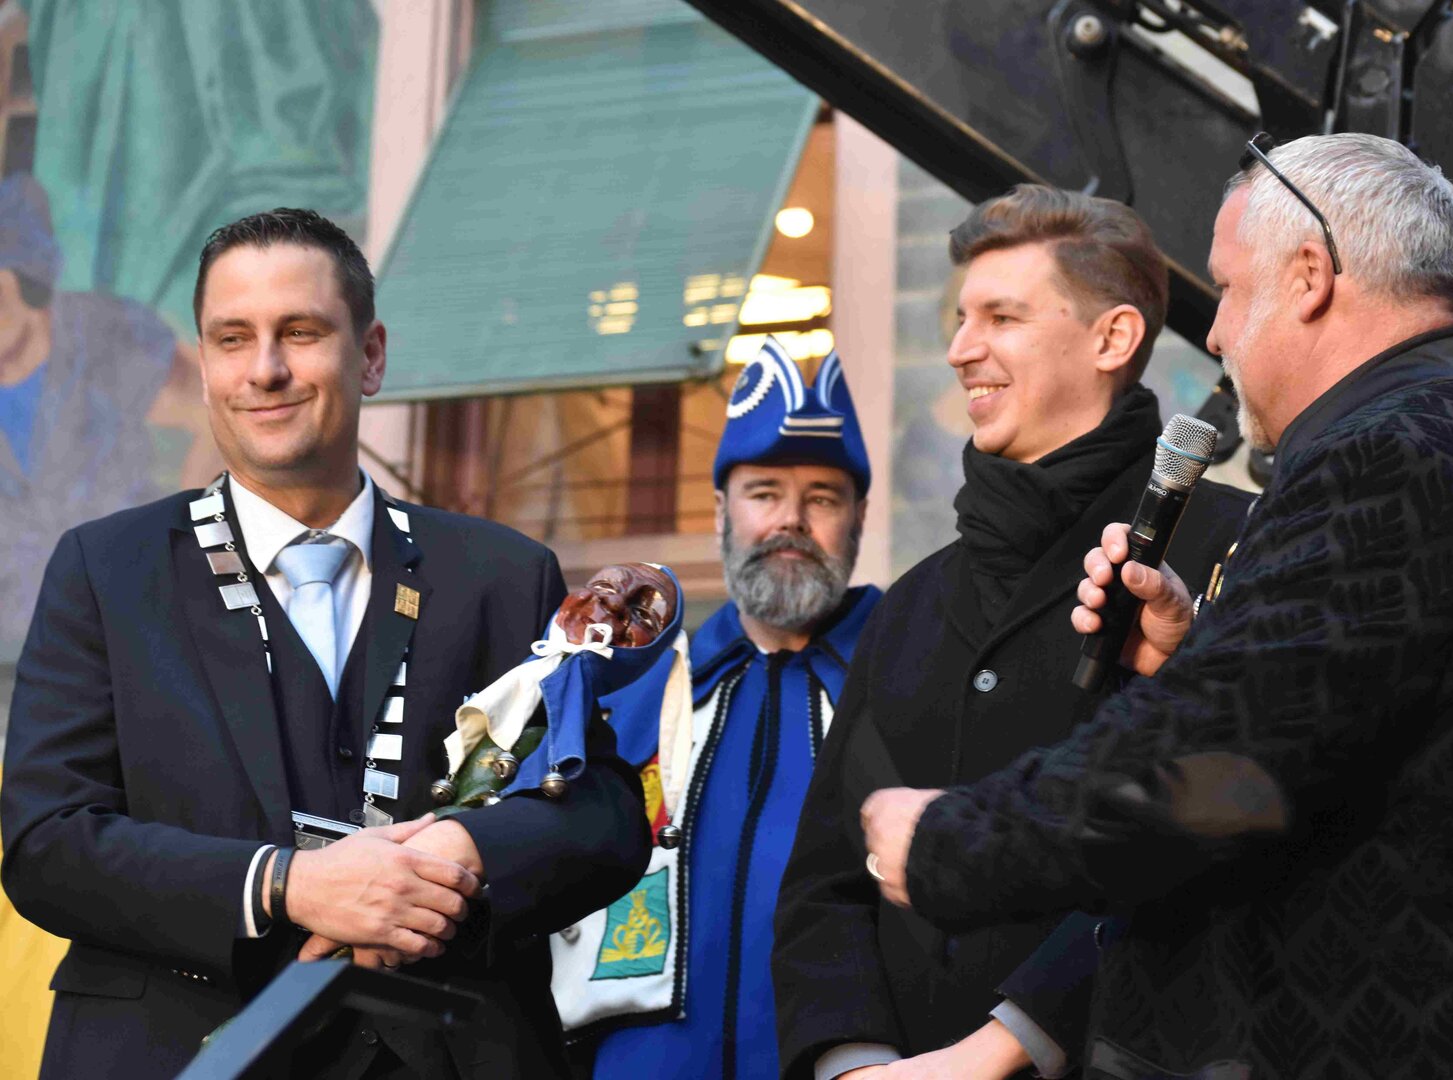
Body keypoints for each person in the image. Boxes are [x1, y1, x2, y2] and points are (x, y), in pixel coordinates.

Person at [860, 133, 1453, 1077]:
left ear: (1309, 277)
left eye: (1227, 288)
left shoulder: (1389, 455)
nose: (1216, 334)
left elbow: (1215, 768)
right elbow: (1362, 739)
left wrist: (948, 843)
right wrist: (1195, 658)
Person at [0, 208, 650, 1079]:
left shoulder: (502, 573)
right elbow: (47, 843)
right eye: (232, 339)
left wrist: (465, 856)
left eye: (300, 332)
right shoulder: (105, 570)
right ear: (205, 367)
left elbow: (606, 815)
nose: (265, 369)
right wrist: (285, 884)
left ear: (370, 355)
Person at [772, 187, 1251, 1080]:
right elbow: (826, 881)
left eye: (1001, 317)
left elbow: (1207, 842)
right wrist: (853, 1061)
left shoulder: (1233, 546)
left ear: (1112, 339)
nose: (961, 349)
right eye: (962, 319)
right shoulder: (910, 603)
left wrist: (1006, 1047)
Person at [554, 338, 882, 1080]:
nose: (790, 521)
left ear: (859, 517)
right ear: (720, 514)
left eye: (823, 498)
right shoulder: (636, 693)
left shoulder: (904, 684)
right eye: (764, 493)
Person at [0, 174, 212, 662]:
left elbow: (214, 416)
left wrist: (182, 556)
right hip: (23, 650)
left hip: (131, 627)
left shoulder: (101, 333)